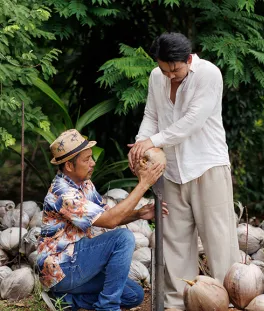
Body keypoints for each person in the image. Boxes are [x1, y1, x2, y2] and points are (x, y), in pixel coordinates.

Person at [128, 32, 240, 311]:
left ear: (188, 59)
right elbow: (151, 115)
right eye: (165, 70)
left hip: (207, 165)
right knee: (175, 239)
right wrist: (141, 148)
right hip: (172, 168)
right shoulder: (158, 76)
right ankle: (177, 303)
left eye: (175, 69)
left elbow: (193, 121)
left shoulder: (209, 74)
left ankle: (231, 300)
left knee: (219, 239)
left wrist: (152, 142)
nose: (170, 75)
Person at [37, 129, 167, 311]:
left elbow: (108, 214)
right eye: (86, 159)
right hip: (61, 268)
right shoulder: (63, 193)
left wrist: (138, 214)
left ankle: (66, 300)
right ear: (69, 166)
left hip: (77, 263)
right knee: (123, 238)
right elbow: (110, 221)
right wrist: (144, 184)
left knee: (134, 295)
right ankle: (107, 307)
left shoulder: (85, 184)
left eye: (91, 157)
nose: (93, 163)